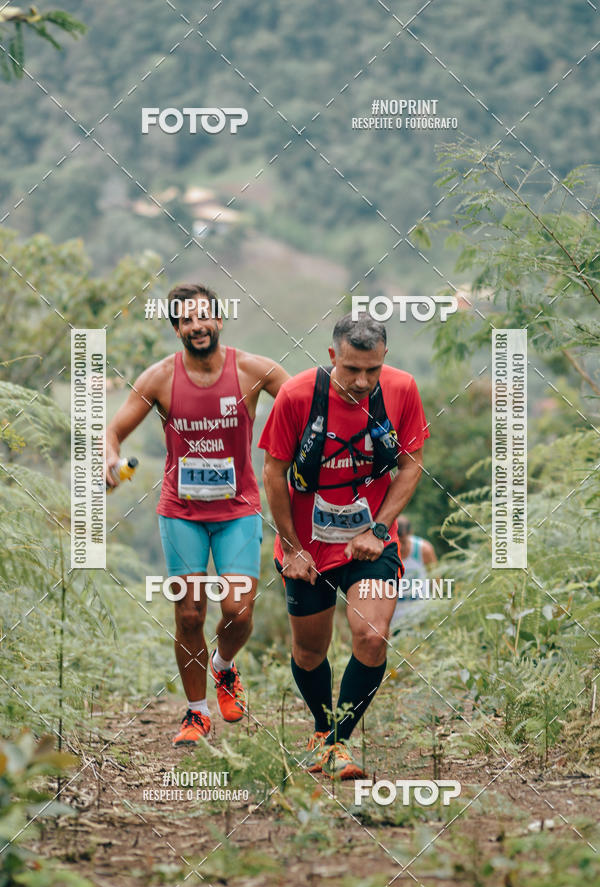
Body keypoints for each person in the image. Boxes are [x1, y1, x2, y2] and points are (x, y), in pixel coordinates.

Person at [106, 284, 289, 746]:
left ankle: (224, 669)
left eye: (203, 317)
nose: (197, 326)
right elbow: (114, 430)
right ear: (176, 328)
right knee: (189, 615)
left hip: (238, 510)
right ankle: (196, 712)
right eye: (186, 320)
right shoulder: (159, 379)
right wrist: (110, 460)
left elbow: (302, 402)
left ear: (219, 320)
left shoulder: (252, 370)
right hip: (181, 512)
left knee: (238, 611)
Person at [259, 312, 429, 779]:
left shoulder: (401, 390)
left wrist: (379, 529)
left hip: (370, 544)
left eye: (372, 370)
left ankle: (338, 743)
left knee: (372, 637)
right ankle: (320, 726)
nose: (362, 380)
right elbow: (273, 473)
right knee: (310, 650)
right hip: (308, 545)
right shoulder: (298, 396)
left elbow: (411, 463)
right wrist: (292, 547)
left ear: (384, 359)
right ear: (333, 356)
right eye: (352, 369)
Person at [390, 516, 438, 628]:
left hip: (421, 616)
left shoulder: (424, 550)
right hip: (394, 619)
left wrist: (435, 608)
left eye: (403, 541)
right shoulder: (385, 551)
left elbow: (436, 579)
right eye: (397, 541)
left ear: (410, 533)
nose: (400, 547)